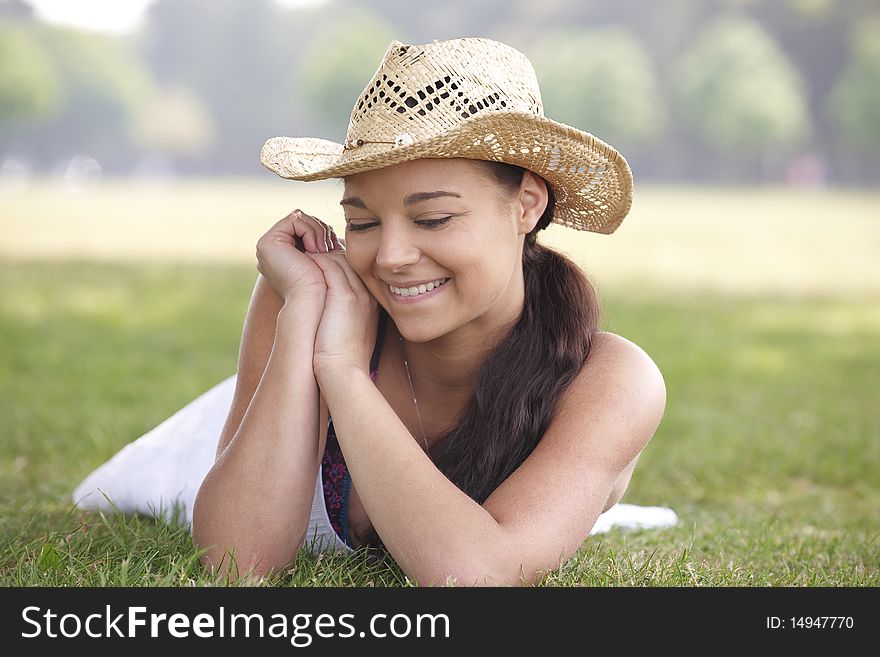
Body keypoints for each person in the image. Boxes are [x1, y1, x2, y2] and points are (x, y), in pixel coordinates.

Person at [191, 37, 666, 587]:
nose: (390, 257)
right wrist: (303, 318)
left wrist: (343, 372)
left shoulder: (609, 381)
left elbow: (480, 578)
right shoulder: (312, 300)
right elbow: (237, 564)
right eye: (363, 223)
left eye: (433, 219)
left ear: (527, 205)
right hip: (233, 435)